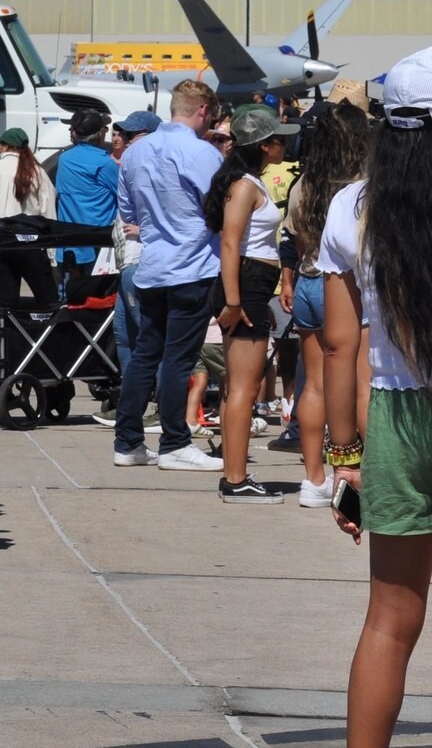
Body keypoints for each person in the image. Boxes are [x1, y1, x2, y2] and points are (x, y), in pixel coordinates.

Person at [321, 46, 432, 748]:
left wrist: (346, 457)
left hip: (395, 418)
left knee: (389, 622)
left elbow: (339, 345)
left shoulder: (350, 206)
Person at [112, 79, 226, 473]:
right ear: (204, 111)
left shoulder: (135, 152)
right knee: (179, 358)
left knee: (146, 354)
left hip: (153, 265)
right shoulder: (202, 152)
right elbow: (219, 209)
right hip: (192, 265)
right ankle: (175, 441)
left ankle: (127, 442)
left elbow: (128, 209)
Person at [203, 104, 300, 503]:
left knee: (236, 387)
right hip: (245, 286)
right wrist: (233, 300)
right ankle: (236, 479)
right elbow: (230, 242)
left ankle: (234, 472)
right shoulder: (244, 186)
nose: (285, 144)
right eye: (279, 138)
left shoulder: (249, 182)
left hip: (250, 283)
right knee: (244, 386)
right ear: (263, 146)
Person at [284, 101, 370, 507]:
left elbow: (297, 239)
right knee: (361, 384)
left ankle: (313, 479)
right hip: (345, 287)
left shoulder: (304, 185)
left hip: (307, 280)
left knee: (315, 383)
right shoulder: (360, 186)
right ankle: (368, 470)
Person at [101, 110, 162, 422]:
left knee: (151, 337)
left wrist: (147, 231)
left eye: (133, 134)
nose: (124, 140)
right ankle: (131, 406)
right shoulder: (130, 167)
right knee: (125, 337)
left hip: (142, 263)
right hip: (126, 264)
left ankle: (162, 408)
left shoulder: (155, 167)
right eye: (124, 134)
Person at [0, 127, 58, 307]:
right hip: (32, 242)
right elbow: (48, 213)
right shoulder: (38, 172)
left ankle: (8, 335)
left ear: (5, 146)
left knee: (6, 304)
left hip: (2, 242)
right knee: (48, 300)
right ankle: (51, 333)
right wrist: (52, 254)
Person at [54, 108, 121, 293]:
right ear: (100, 133)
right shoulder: (105, 164)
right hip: (99, 243)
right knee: (99, 299)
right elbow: (127, 197)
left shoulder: (64, 159)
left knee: (69, 298)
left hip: (69, 241)